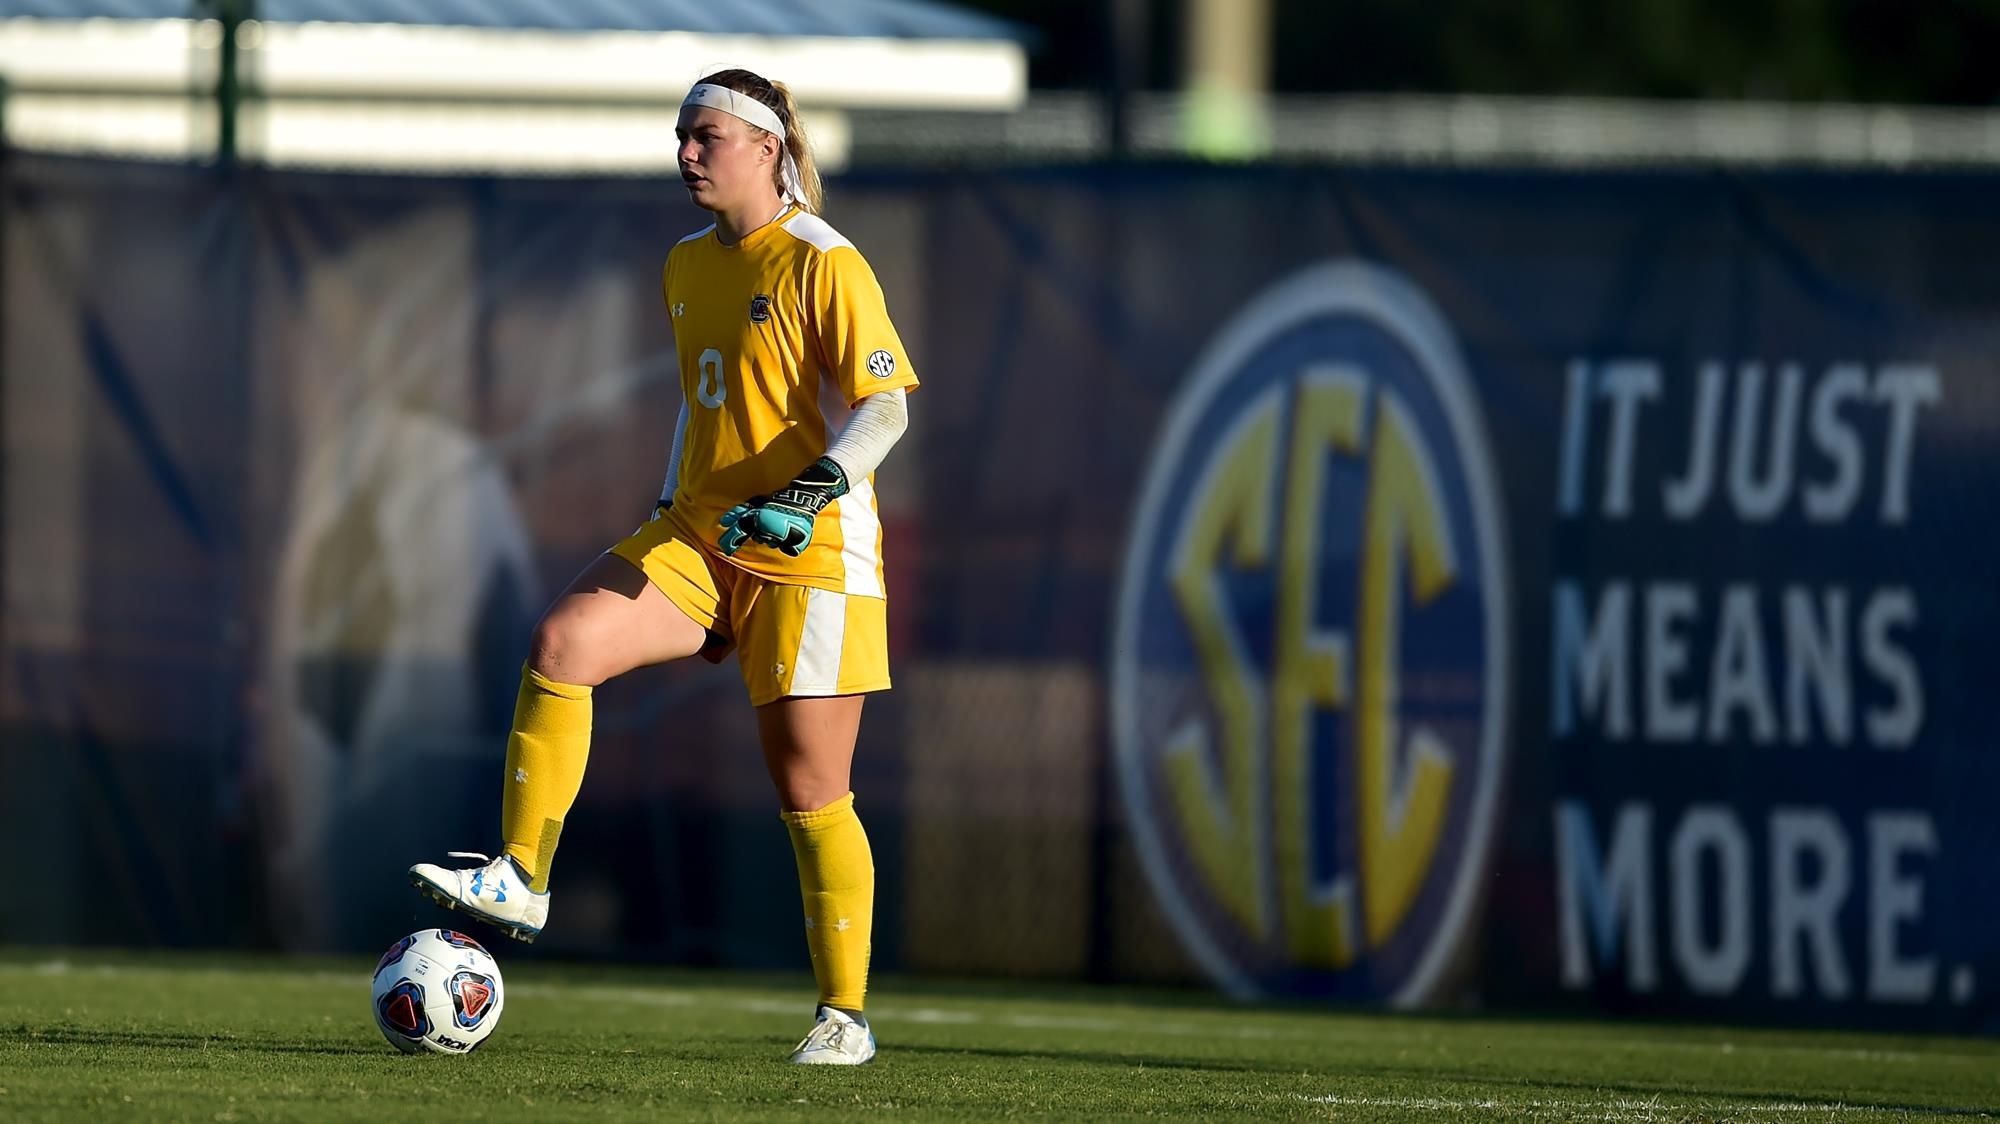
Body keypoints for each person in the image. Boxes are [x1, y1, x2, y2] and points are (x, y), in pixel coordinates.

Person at [408, 68, 918, 1066]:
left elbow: (886, 405)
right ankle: (521, 871)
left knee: (811, 787)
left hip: (810, 555)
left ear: (766, 149)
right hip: (699, 534)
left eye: (707, 136)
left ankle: (843, 1016)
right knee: (563, 640)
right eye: (681, 136)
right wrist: (667, 496)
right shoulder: (686, 264)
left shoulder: (823, 259)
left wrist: (807, 493)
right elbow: (702, 401)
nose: (686, 152)